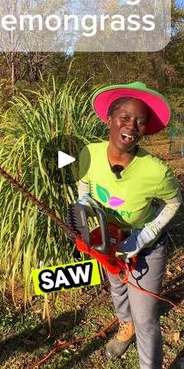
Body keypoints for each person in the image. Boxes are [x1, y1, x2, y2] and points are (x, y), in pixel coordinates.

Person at [78, 81, 182, 369]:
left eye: (140, 121)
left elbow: (174, 202)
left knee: (146, 317)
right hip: (109, 238)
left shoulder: (156, 171)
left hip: (144, 248)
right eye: (125, 117)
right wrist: (84, 203)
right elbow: (84, 182)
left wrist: (145, 235)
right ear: (109, 120)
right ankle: (125, 326)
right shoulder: (90, 153)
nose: (132, 126)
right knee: (117, 287)